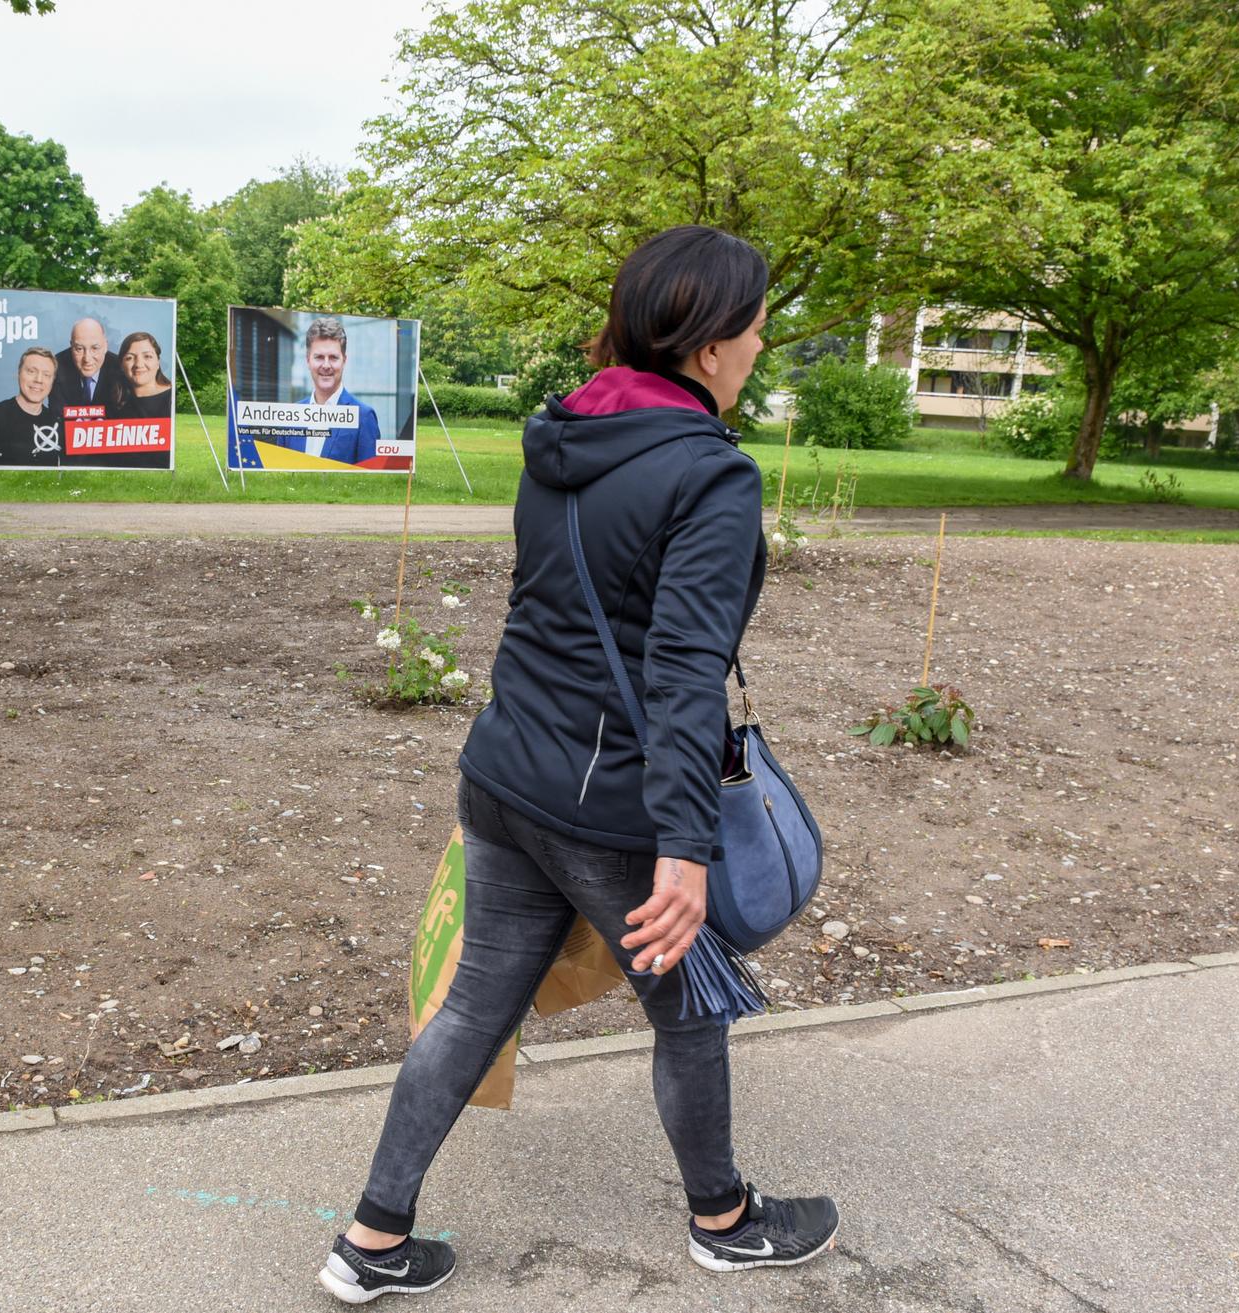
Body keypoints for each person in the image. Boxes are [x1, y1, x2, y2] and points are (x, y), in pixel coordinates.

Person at [318, 226, 836, 1305]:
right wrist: (685, 850)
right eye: (751, 327)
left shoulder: (561, 434)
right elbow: (684, 676)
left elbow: (536, 608)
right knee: (692, 1004)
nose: (758, 345)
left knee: (471, 1005)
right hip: (609, 805)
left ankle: (370, 1238)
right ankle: (725, 1219)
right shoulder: (710, 473)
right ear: (703, 346)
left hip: (504, 772)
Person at [263, 316, 382, 465]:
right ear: (308, 360)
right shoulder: (290, 416)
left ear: (344, 361)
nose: (326, 365)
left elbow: (370, 482)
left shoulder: (363, 417)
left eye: (333, 357)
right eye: (319, 357)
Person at [108, 330, 174, 419]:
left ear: (158, 362)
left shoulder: (173, 398)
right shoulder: (116, 405)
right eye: (129, 358)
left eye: (147, 356)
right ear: (122, 365)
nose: (138, 364)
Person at [51, 317, 116, 408]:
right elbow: (58, 415)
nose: (87, 359)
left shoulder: (120, 368)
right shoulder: (56, 367)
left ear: (105, 346)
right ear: (71, 346)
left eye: (95, 348)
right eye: (79, 349)